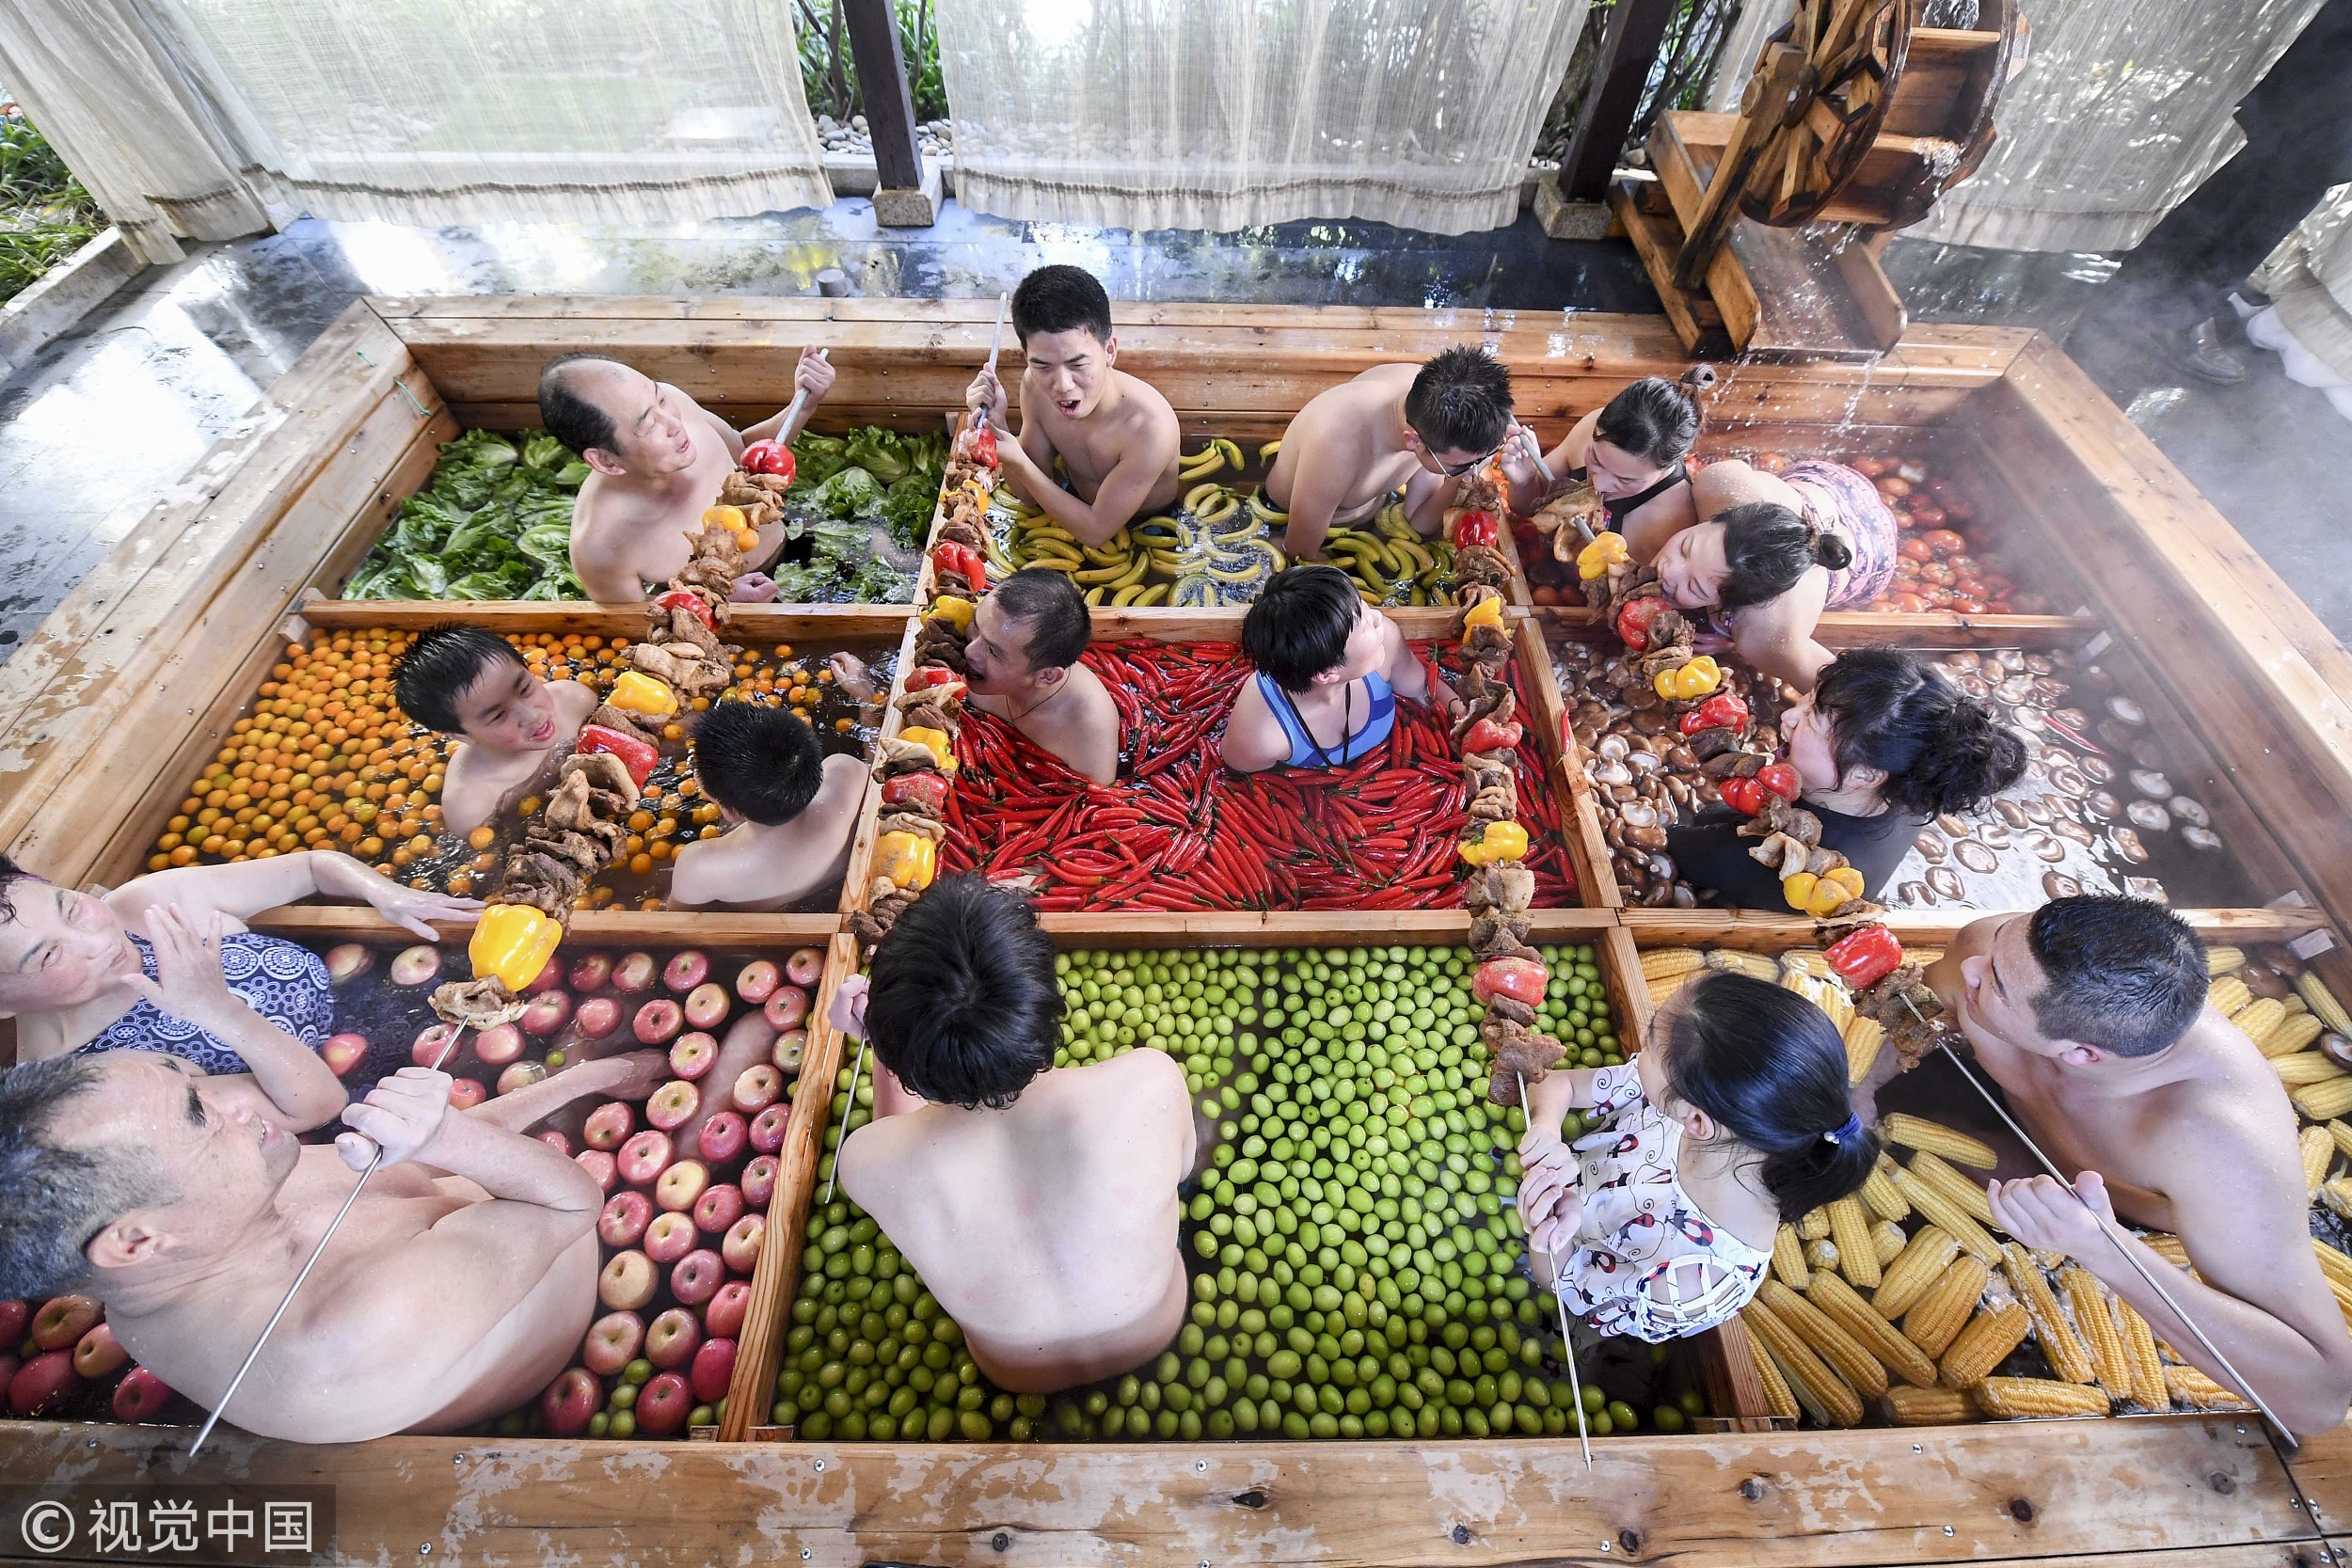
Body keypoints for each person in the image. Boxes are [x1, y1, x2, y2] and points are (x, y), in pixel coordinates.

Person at [0, 1044, 669, 1442]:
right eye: (198, 1111)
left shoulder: (216, 1204)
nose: (237, 1097)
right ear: (135, 1240)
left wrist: (584, 1080)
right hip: (587, 1295)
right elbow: (572, 1201)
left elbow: (411, 1171)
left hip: (518, 1219)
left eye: (193, 1074)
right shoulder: (333, 1344)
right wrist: (449, 1137)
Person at [1874, 896, 2352, 1436]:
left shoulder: (2215, 1143)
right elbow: (1912, 1012)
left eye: (1997, 985)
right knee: (1889, 1145)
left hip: (2115, 1219)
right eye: (2007, 937)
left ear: (2081, 1054)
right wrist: (1863, 1090)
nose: (1969, 969)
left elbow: (2321, 1397)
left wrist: (2105, 1248)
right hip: (2021, 1146)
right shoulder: (1991, 950)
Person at [826, 875, 1195, 1393]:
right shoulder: (1149, 1083)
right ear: (1045, 1007)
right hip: (1156, 1331)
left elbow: (900, 1135)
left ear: (895, 1049)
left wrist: (881, 1046)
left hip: (1012, 1374)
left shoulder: (866, 1163)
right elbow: (1180, 1172)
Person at [0, 853, 475, 1132]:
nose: (97, 942)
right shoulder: (83, 1082)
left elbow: (313, 867)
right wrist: (218, 1009)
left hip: (419, 996)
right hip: (378, 1115)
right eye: (46, 956)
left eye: (70, 907)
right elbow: (315, 1108)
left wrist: (386, 892)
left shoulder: (142, 907)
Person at [1517, 971, 1874, 1340]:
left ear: (1696, 1121)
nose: (1642, 1038)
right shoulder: (1703, 1100)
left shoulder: (1692, 1283)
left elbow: (1564, 1290)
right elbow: (1560, 1084)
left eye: (1651, 1038)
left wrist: (1548, 1232)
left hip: (1549, 1251)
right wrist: (1546, 1129)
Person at [1665, 647, 2026, 908]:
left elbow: (1671, 847)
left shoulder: (1762, 857)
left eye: (1812, 719)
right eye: (1808, 700)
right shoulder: (1915, 784)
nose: (1789, 716)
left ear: (1866, 774)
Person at [542, 347, 835, 604]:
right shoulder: (602, 545)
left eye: (659, 397)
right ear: (606, 460)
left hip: (790, 538)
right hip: (733, 611)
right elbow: (634, 621)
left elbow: (746, 452)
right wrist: (715, 598)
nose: (674, 422)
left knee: (877, 546)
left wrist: (803, 404)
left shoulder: (675, 402)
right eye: (647, 423)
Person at [835, 568, 1121, 785]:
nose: (970, 651)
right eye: (976, 626)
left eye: (994, 652)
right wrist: (868, 696)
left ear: (1046, 676)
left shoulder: (1088, 739)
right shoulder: (980, 649)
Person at [962, 265, 1183, 547]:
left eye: (1077, 364)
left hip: (1150, 527)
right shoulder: (1033, 387)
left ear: (1110, 351)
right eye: (1042, 366)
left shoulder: (1150, 426)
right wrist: (998, 426)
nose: (1063, 385)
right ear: (1026, 357)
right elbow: (1029, 496)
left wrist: (1017, 459)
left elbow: (1095, 532)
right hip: (1070, 504)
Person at [1645, 459, 1900, 692]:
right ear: (1715, 518)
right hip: (1831, 483)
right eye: (1684, 547)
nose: (1667, 570)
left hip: (1871, 555)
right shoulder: (1719, 484)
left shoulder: (1767, 634)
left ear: (1732, 603)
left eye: (1693, 587)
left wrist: (1734, 637)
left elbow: (1845, 695)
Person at [1264, 346, 1520, 562]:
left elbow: (1418, 523)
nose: (1472, 471)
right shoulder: (1337, 441)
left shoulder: (1433, 406)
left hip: (1369, 512)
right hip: (1285, 520)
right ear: (1413, 442)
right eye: (1459, 467)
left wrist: (1463, 471)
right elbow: (1299, 551)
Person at [1222, 564, 1435, 774]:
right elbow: (1244, 781)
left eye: (1361, 605)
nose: (1377, 617)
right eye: (1363, 624)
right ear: (1327, 674)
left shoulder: (1386, 640)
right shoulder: (1261, 735)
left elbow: (1424, 693)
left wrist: (1463, 715)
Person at [392, 626, 600, 838]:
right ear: (461, 736)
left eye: (526, 689)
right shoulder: (473, 807)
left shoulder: (574, 700)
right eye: (498, 716)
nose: (532, 716)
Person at [668, 700, 866, 911]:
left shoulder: (700, 868)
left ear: (728, 811)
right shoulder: (847, 774)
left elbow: (674, 919)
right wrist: (863, 694)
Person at [1505, 369, 1712, 562]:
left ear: (1664, 467)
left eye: (1625, 479)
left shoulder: (1670, 523)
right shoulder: (1591, 427)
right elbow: (1527, 507)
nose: (1599, 483)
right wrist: (1524, 481)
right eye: (1595, 459)